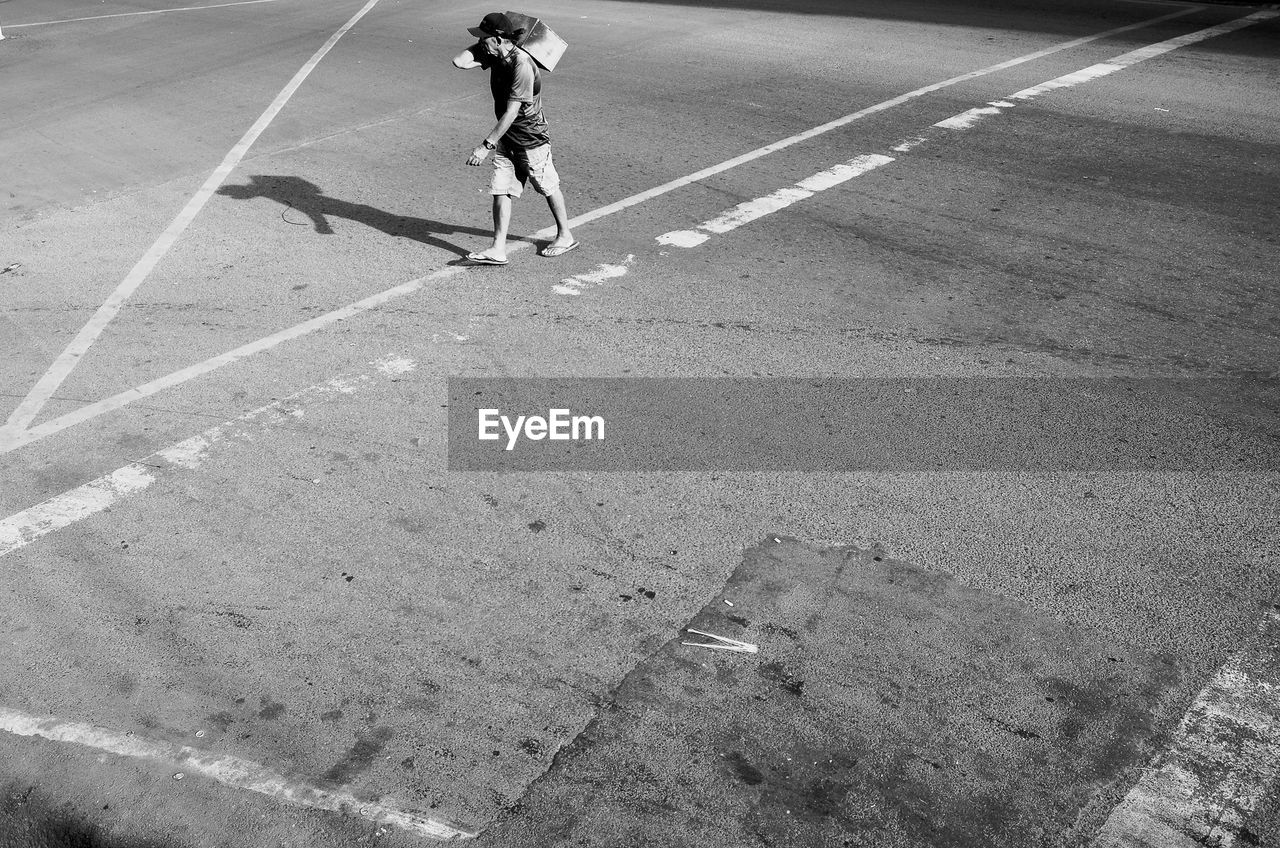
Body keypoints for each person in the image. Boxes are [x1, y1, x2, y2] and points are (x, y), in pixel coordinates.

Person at [452, 12, 578, 265]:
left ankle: (565, 235)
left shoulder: (520, 65)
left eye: (484, 38)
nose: (480, 44)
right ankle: (498, 248)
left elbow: (512, 112)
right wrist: (485, 42)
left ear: (498, 39)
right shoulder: (495, 55)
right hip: (508, 138)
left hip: (530, 137)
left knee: (546, 186)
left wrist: (485, 146)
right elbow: (460, 61)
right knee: (501, 189)